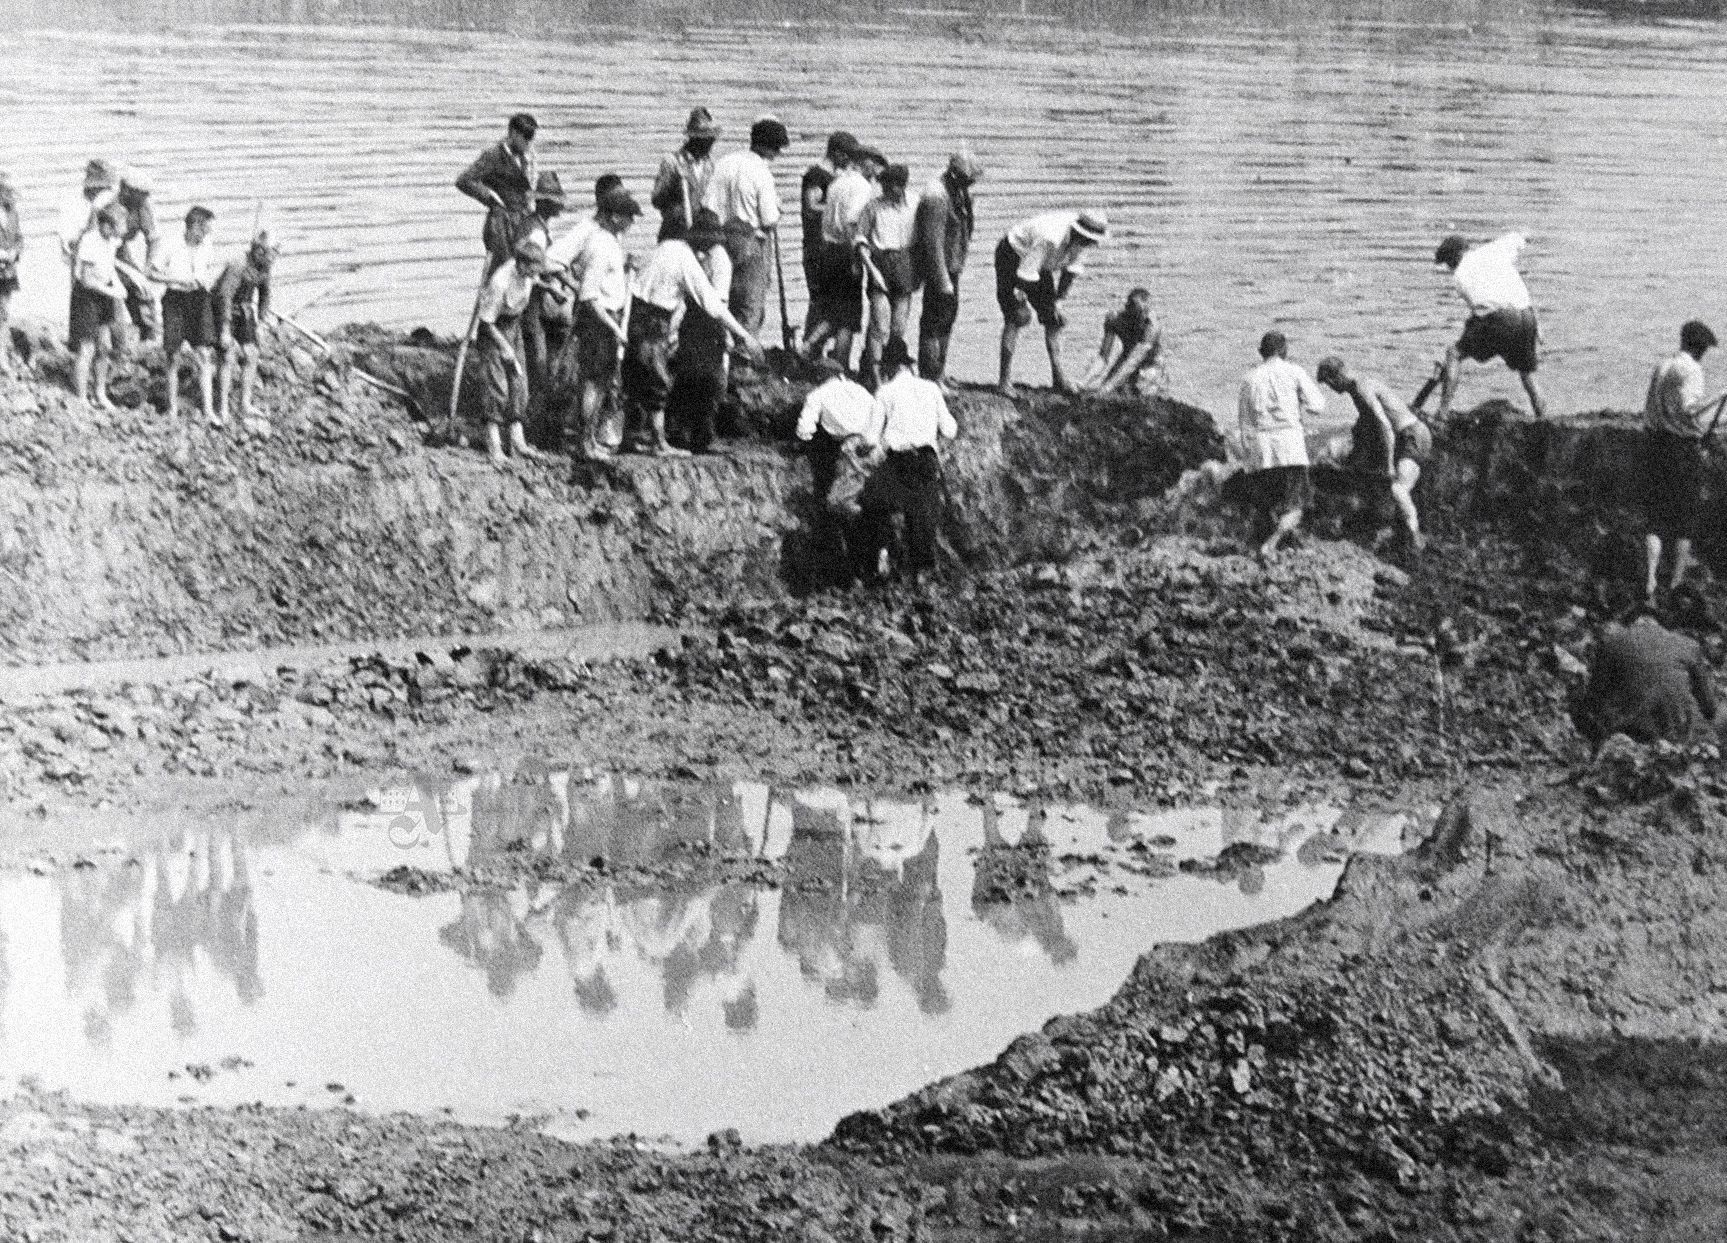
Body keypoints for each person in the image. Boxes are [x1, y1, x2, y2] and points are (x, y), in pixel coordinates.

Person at [625, 213, 763, 456]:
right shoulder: (686, 260)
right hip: (655, 320)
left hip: (637, 312)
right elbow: (713, 305)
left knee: (638, 376)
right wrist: (744, 335)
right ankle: (659, 443)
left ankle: (634, 436)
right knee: (659, 380)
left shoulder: (666, 247)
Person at [857, 337, 958, 580]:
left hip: (898, 461)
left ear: (889, 368)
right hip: (925, 460)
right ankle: (921, 571)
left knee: (871, 501)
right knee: (922, 513)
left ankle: (881, 553)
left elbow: (870, 440)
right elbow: (950, 429)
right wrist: (935, 447)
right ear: (908, 366)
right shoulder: (931, 388)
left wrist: (861, 449)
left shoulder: (885, 392)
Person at [1641, 320, 1727, 601]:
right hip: (1681, 451)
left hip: (1654, 446)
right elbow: (1691, 411)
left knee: (1655, 519)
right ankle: (1676, 582)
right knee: (1685, 519)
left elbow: (1649, 413)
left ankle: (1650, 579)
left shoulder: (1661, 367)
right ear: (1701, 348)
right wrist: (1720, 396)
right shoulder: (1692, 370)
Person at [1315, 355, 1433, 553]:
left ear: (1335, 378)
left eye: (1328, 384)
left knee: (1398, 489)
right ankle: (1387, 525)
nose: (1332, 390)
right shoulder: (1359, 386)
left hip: (1412, 436)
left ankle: (1415, 536)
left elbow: (1385, 426)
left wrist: (1388, 464)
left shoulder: (1361, 388)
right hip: (1403, 436)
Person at [1434, 231, 1547, 421]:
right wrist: (1537, 327)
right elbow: (1523, 235)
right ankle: (1543, 420)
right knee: (1527, 374)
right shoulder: (1496, 249)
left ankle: (1442, 413)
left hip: (1500, 319)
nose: (1449, 269)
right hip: (1528, 316)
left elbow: (1481, 317)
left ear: (1455, 258)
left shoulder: (1460, 277)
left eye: (1448, 263)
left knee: (1454, 353)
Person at [995, 208, 1107, 395]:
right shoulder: (1050, 237)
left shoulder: (1083, 242)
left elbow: (1070, 272)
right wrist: (1020, 297)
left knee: (1054, 319)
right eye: (1086, 240)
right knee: (1017, 316)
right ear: (1078, 233)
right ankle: (1004, 381)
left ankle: (1058, 378)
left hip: (1042, 264)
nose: (1089, 244)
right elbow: (1026, 273)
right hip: (1013, 254)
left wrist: (1058, 302)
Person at [1236, 330, 1327, 561]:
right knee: (1296, 506)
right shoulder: (1294, 371)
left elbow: (1244, 423)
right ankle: (1271, 545)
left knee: (1269, 502)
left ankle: (1267, 543)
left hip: (1261, 449)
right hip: (1290, 447)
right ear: (1285, 351)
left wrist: (1248, 458)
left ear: (1260, 353)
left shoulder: (1249, 378)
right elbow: (1318, 405)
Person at [1570, 613, 1719, 751]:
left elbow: (1594, 698)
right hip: (1678, 729)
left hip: (1632, 729)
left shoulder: (1613, 642)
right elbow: (1710, 708)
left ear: (1632, 625)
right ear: (1659, 625)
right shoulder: (1689, 645)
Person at [569, 186, 642, 460]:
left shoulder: (608, 242)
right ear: (613, 217)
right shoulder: (601, 245)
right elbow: (589, 295)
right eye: (627, 216)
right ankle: (585, 443)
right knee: (593, 382)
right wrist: (614, 329)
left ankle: (589, 440)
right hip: (601, 321)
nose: (632, 222)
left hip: (608, 318)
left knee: (600, 382)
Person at [703, 115, 789, 340]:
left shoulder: (724, 162)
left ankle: (722, 351)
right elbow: (769, 219)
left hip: (719, 239)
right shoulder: (762, 172)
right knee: (750, 306)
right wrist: (779, 209)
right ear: (771, 149)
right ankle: (744, 359)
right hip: (750, 242)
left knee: (721, 300)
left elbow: (707, 204)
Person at [805, 145, 883, 369]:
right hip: (845, 252)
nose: (877, 170)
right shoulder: (861, 187)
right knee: (847, 318)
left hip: (827, 250)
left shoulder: (837, 182)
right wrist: (856, 260)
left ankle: (811, 347)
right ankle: (840, 366)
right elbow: (851, 224)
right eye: (875, 163)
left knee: (830, 310)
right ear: (864, 163)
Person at [474, 237, 547, 466]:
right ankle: (494, 445)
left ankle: (517, 441)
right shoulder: (500, 282)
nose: (535, 274)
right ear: (521, 264)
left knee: (519, 383)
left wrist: (551, 289)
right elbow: (486, 322)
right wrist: (504, 347)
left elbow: (534, 281)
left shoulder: (528, 275)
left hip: (513, 328)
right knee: (498, 387)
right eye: (533, 269)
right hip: (494, 332)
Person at [667, 208, 734, 455]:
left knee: (705, 379)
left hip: (708, 321)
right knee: (695, 377)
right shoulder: (703, 257)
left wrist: (725, 333)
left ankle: (698, 433)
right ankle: (689, 432)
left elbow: (719, 302)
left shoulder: (718, 260)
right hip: (698, 322)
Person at [911, 151, 980, 385]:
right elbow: (932, 243)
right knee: (934, 322)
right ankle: (930, 378)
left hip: (953, 265)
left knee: (948, 319)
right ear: (957, 175)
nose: (971, 184)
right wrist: (943, 281)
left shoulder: (957, 191)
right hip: (939, 270)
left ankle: (939, 373)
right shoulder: (937, 196)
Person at [151, 205, 222, 424]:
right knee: (173, 355)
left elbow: (209, 269)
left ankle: (208, 409)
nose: (207, 236)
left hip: (199, 300)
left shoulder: (206, 245)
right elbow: (151, 271)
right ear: (194, 227)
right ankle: (172, 409)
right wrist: (177, 280)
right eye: (205, 230)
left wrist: (207, 280)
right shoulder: (170, 244)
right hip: (175, 299)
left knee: (203, 354)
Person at [854, 163, 917, 389]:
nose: (887, 191)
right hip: (880, 263)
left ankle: (893, 372)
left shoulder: (914, 205)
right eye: (884, 186)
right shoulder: (872, 208)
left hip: (905, 265)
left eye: (892, 187)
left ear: (902, 187)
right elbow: (860, 243)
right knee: (879, 325)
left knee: (899, 326)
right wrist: (873, 272)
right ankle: (876, 377)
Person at [456, 112, 539, 272]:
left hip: (521, 221)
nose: (529, 143)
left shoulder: (526, 157)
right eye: (526, 137)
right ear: (514, 133)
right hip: (500, 224)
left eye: (531, 138)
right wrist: (490, 196)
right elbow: (464, 180)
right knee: (499, 271)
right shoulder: (493, 155)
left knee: (522, 270)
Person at [211, 232, 277, 425]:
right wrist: (224, 329)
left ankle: (245, 403)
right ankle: (222, 407)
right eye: (269, 254)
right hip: (222, 308)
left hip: (244, 308)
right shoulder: (238, 265)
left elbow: (264, 295)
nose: (272, 259)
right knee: (228, 355)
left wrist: (262, 322)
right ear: (258, 251)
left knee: (252, 353)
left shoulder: (265, 267)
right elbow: (224, 297)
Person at [69, 201, 129, 410]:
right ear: (106, 225)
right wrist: (113, 291)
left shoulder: (110, 241)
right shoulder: (89, 240)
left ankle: (100, 393)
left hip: (104, 295)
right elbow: (86, 279)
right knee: (86, 348)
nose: (117, 233)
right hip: (86, 297)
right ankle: (81, 398)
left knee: (104, 346)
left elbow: (109, 267)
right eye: (116, 227)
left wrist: (118, 284)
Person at [796, 355, 876, 501]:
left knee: (839, 498)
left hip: (846, 446)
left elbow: (804, 430)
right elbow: (876, 413)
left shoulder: (817, 394)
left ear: (820, 375)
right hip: (870, 443)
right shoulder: (860, 389)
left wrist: (807, 446)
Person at [801, 132, 857, 341]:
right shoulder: (816, 175)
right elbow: (811, 205)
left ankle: (815, 351)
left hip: (830, 248)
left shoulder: (835, 177)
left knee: (830, 304)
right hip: (817, 247)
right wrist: (839, 208)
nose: (850, 161)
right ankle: (808, 349)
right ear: (837, 153)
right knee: (820, 303)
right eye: (847, 156)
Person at [651, 108, 719, 243]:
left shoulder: (710, 164)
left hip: (701, 233)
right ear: (693, 139)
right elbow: (657, 199)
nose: (711, 143)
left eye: (712, 139)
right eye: (706, 139)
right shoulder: (672, 162)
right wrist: (676, 203)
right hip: (675, 232)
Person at [1081, 287, 1163, 394]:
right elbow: (1103, 357)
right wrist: (1083, 382)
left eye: (1145, 311)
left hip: (1149, 365)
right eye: (1132, 306)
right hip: (1124, 361)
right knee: (1107, 391)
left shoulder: (1152, 325)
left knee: (1139, 390)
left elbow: (1136, 358)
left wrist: (1109, 386)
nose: (1143, 314)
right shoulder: (1115, 320)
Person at [113, 172, 161, 347]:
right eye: (140, 195)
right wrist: (132, 274)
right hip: (103, 251)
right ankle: (117, 341)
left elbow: (153, 239)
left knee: (142, 290)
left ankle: (148, 336)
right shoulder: (112, 206)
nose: (145, 199)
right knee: (115, 293)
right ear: (126, 191)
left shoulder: (143, 206)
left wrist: (146, 270)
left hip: (120, 249)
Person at [0, 173, 20, 375]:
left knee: (4, 313)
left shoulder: (12, 212)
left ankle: (2, 357)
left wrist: (14, 251)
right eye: (9, 192)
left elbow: (19, 237)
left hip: (7, 271)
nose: (13, 196)